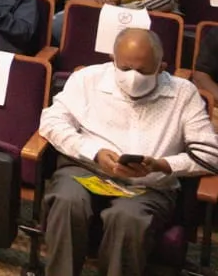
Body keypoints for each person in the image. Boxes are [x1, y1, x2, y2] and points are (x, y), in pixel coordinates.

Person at [38, 28, 217, 276]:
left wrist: (162, 164)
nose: (133, 77)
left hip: (147, 186)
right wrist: (94, 152)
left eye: (143, 71)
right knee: (68, 201)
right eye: (124, 68)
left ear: (162, 67)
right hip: (87, 170)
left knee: (127, 218)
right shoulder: (87, 79)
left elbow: (210, 155)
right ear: (113, 60)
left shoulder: (183, 94)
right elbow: (51, 122)